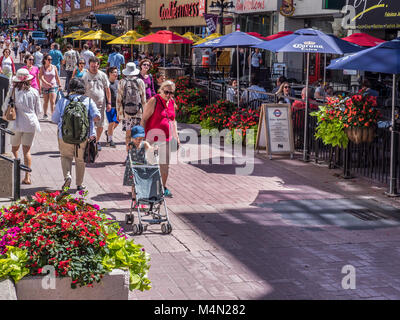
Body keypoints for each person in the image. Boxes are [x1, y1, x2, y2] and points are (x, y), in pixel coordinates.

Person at [52, 78, 100, 191]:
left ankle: (67, 176)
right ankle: (79, 184)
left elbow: (54, 119)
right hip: (83, 137)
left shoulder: (62, 100)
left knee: (65, 156)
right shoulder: (88, 101)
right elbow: (97, 117)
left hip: (64, 136)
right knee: (80, 160)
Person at [1, 68, 42, 185]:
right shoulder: (34, 92)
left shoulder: (13, 91)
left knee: (14, 149)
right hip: (30, 124)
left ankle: (16, 173)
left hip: (16, 124)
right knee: (27, 152)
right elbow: (38, 110)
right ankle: (27, 176)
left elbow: (4, 108)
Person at [141, 80, 180, 198]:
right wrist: (141, 137)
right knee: (150, 164)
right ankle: (146, 188)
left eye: (171, 93)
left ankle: (162, 188)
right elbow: (144, 119)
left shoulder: (172, 102)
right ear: (161, 90)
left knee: (164, 166)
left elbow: (173, 121)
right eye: (166, 92)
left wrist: (176, 137)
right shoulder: (154, 100)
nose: (168, 95)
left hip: (166, 139)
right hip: (152, 138)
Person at [82, 56, 111, 150]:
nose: (94, 68)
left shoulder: (102, 75)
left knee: (100, 124)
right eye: (92, 66)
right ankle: (89, 141)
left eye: (95, 66)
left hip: (100, 104)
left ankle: (97, 141)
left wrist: (109, 102)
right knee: (88, 124)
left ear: (98, 65)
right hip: (88, 104)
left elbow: (107, 89)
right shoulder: (85, 76)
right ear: (89, 65)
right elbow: (82, 90)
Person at [116, 62, 146, 151]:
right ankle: (136, 153)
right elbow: (143, 99)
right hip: (138, 112)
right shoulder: (140, 81)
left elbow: (119, 100)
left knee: (128, 135)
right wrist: (144, 114)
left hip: (126, 113)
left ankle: (128, 153)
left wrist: (119, 114)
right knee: (137, 134)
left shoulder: (122, 82)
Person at [123, 125, 157, 200]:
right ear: (132, 138)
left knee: (141, 182)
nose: (138, 141)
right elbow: (128, 150)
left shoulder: (144, 144)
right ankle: (134, 197)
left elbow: (150, 149)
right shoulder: (131, 144)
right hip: (133, 167)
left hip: (142, 166)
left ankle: (141, 195)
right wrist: (129, 146)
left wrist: (154, 149)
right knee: (134, 183)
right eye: (136, 139)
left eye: (140, 139)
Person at [39, 53, 61, 119]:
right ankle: (45, 114)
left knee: (52, 102)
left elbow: (57, 77)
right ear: (45, 60)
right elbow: (41, 77)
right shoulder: (42, 68)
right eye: (49, 59)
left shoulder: (54, 67)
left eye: (51, 59)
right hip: (45, 86)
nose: (50, 60)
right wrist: (47, 83)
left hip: (53, 86)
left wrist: (59, 85)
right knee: (46, 101)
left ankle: (53, 116)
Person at [105, 66, 119, 148]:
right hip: (110, 106)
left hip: (118, 106)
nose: (116, 74)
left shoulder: (118, 82)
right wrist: (107, 104)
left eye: (117, 72)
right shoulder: (107, 83)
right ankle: (110, 140)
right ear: (110, 74)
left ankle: (108, 132)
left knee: (117, 121)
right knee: (112, 122)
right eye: (114, 72)